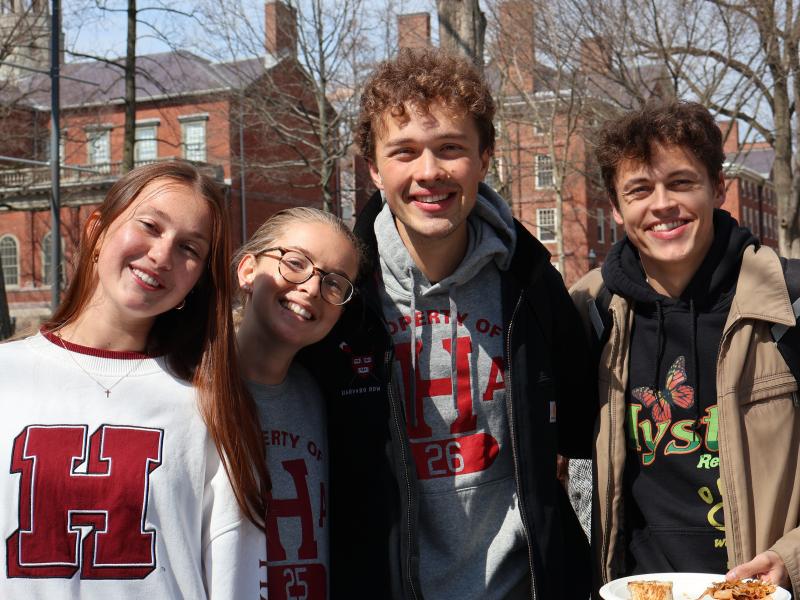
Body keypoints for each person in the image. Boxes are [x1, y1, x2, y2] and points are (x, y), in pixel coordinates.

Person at [305, 47, 594, 599]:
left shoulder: (532, 286)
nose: (428, 172)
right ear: (373, 168)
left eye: (451, 149)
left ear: (485, 159)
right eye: (404, 151)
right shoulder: (340, 296)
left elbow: (584, 432)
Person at [0, 161, 267, 598]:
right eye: (149, 226)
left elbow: (234, 575)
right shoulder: (5, 375)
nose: (162, 255)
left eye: (189, 249)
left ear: (198, 280)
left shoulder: (211, 404)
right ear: (97, 232)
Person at [570, 101, 800, 597]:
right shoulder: (590, 310)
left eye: (681, 183)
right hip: (636, 588)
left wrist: (793, 559)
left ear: (717, 187)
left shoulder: (788, 304)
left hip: (758, 589)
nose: (662, 205)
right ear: (615, 206)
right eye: (639, 190)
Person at [233, 207, 361, 600]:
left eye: (335, 283)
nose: (310, 287)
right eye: (295, 263)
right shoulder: (189, 384)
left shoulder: (325, 398)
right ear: (248, 270)